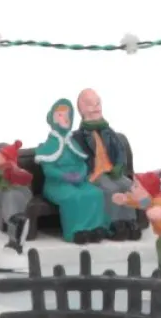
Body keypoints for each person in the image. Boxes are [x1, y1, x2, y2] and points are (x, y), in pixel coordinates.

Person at [33, 98, 109, 244]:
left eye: (68, 115)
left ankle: (95, 228)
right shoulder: (48, 145)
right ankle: (75, 231)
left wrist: (81, 174)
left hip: (79, 181)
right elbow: (49, 170)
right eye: (60, 115)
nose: (65, 118)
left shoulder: (73, 143)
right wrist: (65, 176)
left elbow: (83, 163)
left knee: (95, 193)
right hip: (57, 185)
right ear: (53, 118)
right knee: (73, 197)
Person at [71, 88, 142, 240]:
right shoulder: (77, 137)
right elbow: (77, 159)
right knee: (111, 189)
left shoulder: (108, 132)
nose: (96, 107)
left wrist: (119, 166)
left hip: (112, 171)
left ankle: (130, 221)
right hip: (95, 174)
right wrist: (86, 173)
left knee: (128, 186)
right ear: (82, 109)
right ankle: (112, 223)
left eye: (98, 103)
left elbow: (120, 150)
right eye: (90, 104)